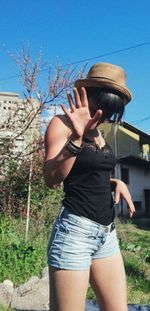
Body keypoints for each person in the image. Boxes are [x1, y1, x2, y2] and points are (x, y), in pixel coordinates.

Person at [43, 62, 136, 311]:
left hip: (106, 235)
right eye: (105, 105)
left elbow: (88, 173)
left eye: (112, 110)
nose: (106, 114)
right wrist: (75, 138)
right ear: (91, 93)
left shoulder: (98, 132)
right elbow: (51, 178)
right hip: (75, 234)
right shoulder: (62, 123)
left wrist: (117, 182)